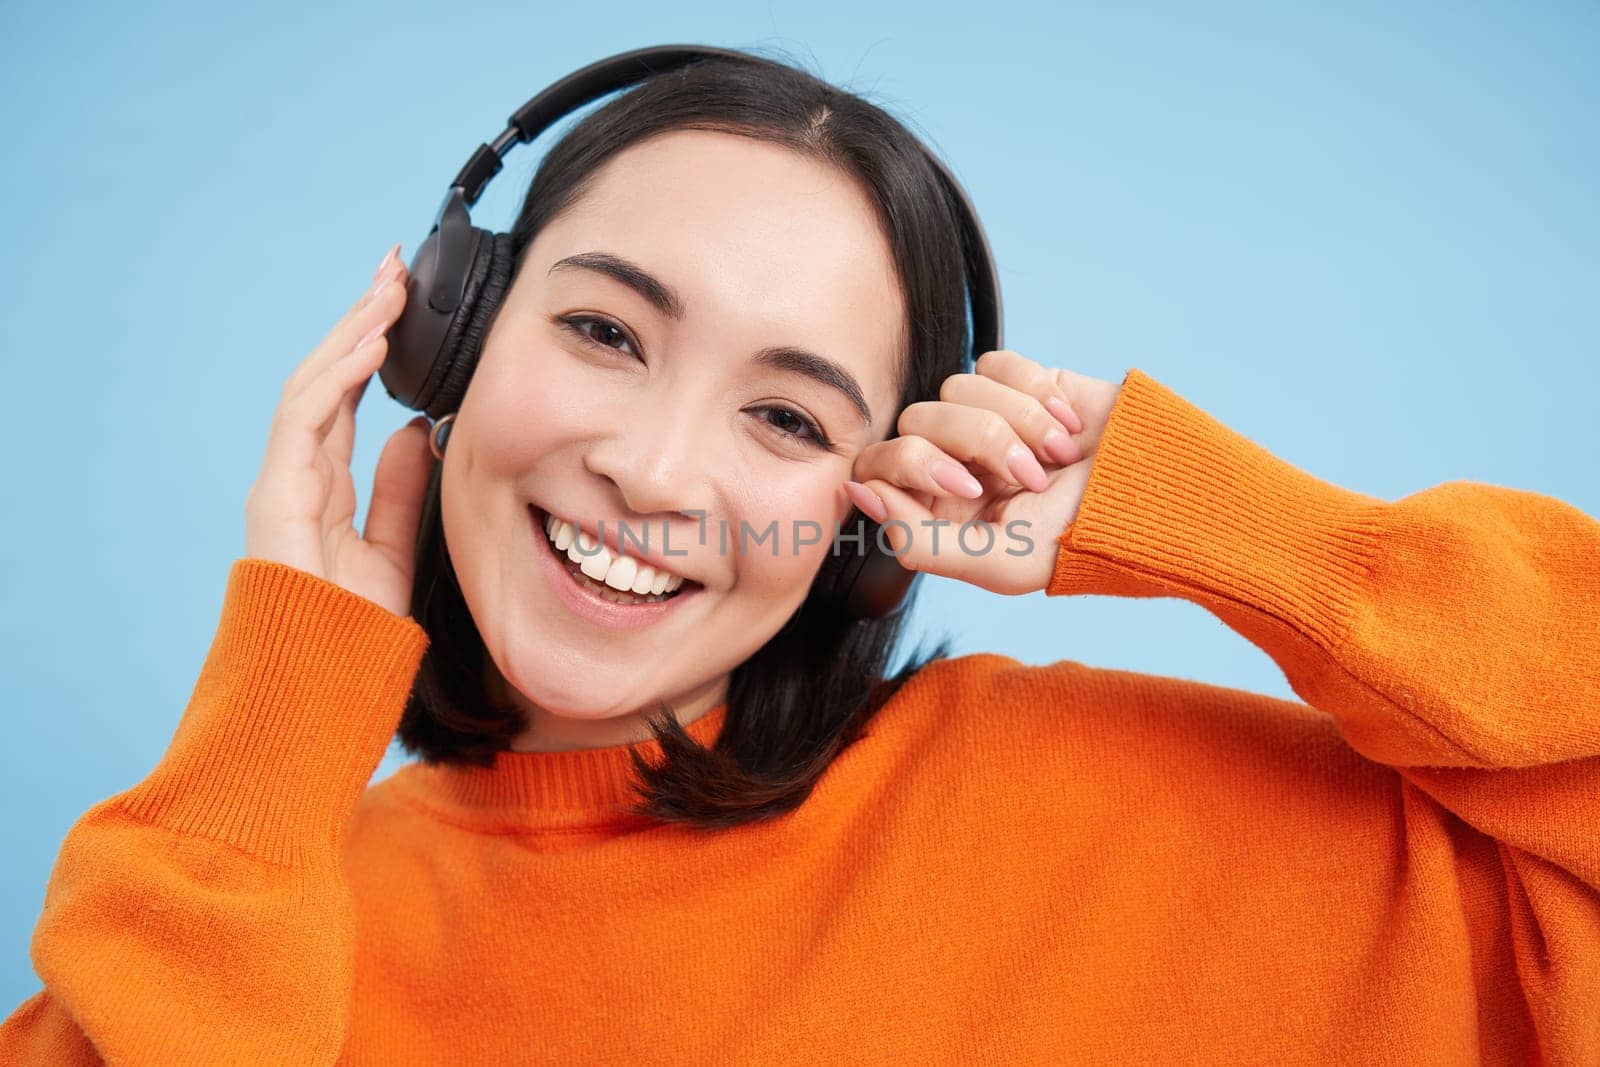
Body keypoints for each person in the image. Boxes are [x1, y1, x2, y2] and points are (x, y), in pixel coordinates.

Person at [2, 50, 1596, 1066]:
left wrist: (1245, 535)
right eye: (605, 330)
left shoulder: (1115, 817)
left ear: (869, 508)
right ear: (447, 335)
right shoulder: (250, 906)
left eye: (786, 414)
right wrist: (275, 730)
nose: (657, 468)